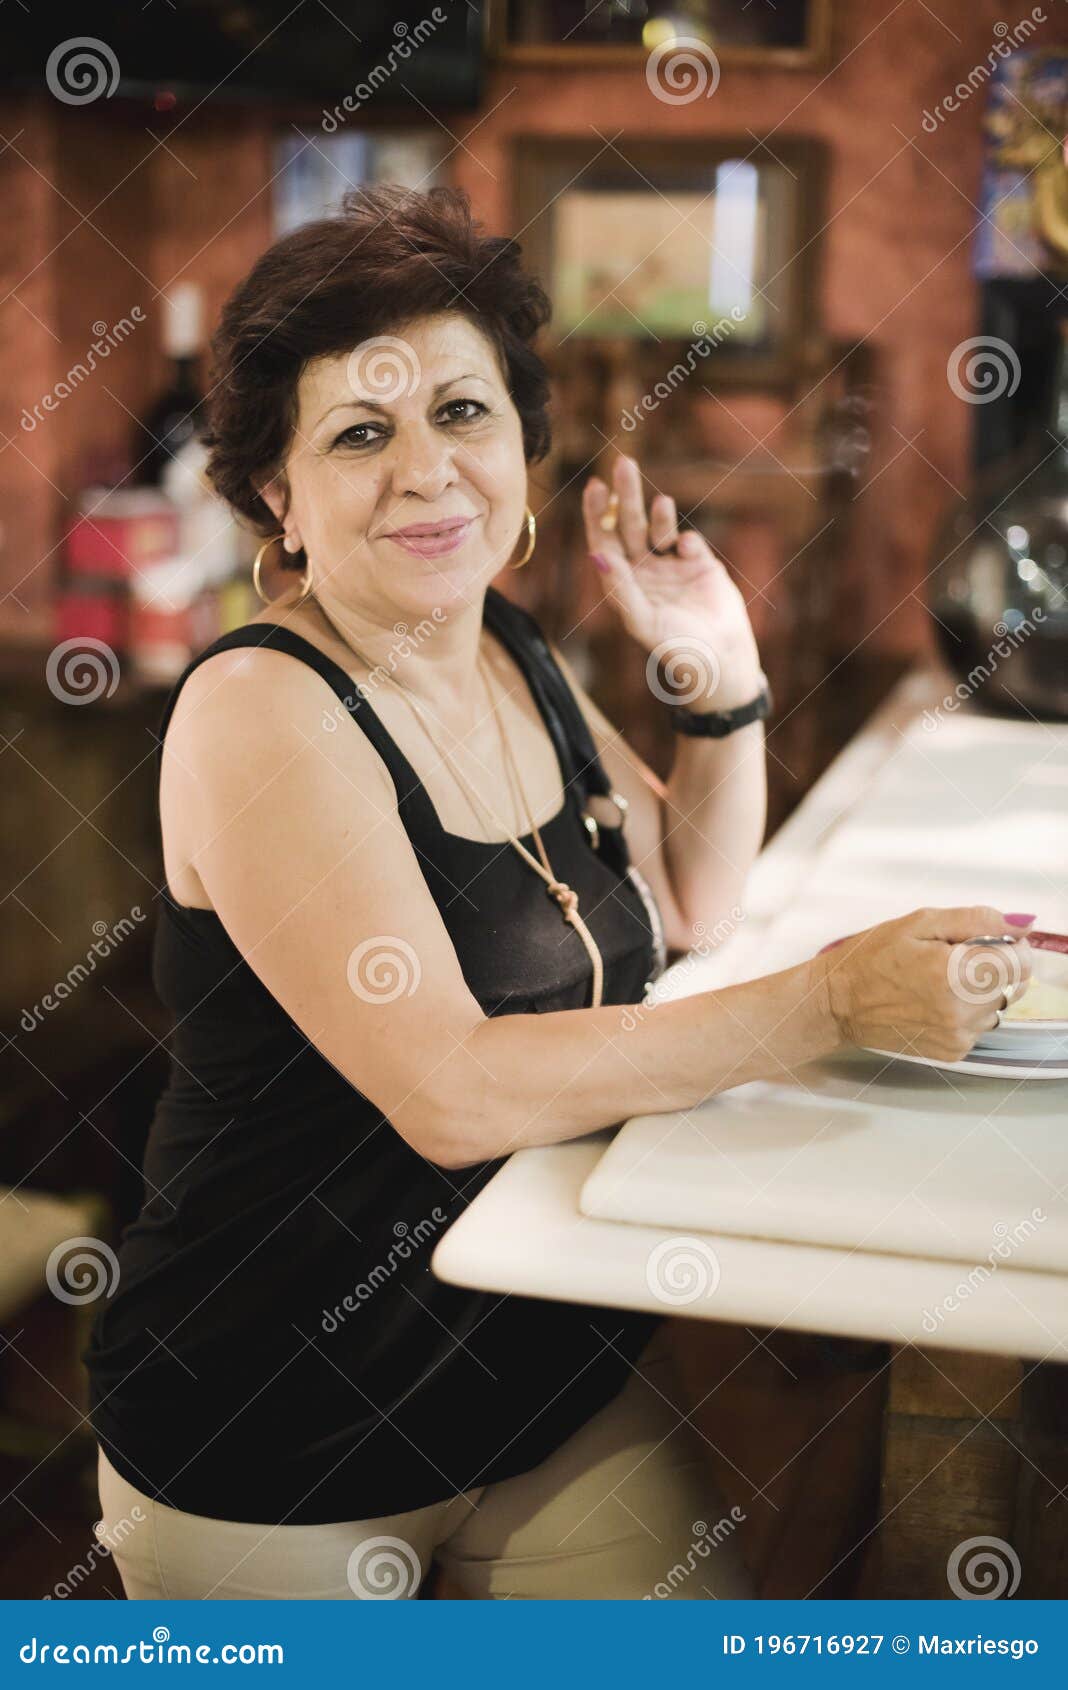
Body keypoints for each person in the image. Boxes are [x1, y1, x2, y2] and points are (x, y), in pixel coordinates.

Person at [84, 184, 1032, 1600]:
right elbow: (452, 1089)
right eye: (360, 433)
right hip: (272, 1422)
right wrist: (833, 999)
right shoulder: (261, 713)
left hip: (541, 1380)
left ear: (523, 445)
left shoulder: (513, 648)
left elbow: (692, 901)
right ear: (275, 495)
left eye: (461, 414)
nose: (427, 470)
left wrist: (717, 681)